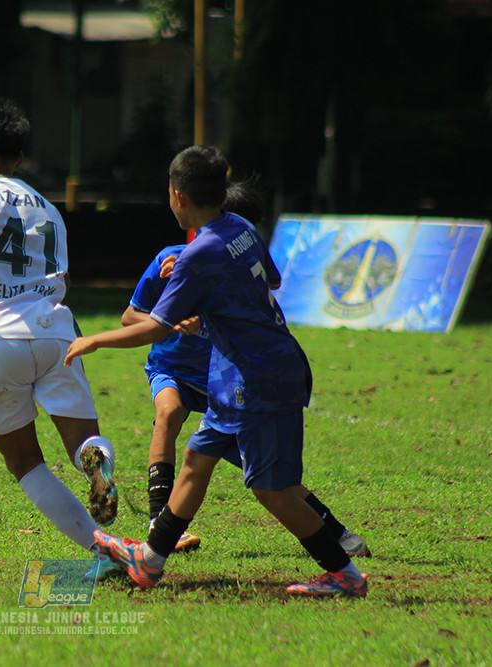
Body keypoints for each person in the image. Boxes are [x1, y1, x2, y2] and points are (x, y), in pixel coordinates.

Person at [65, 146, 369, 598]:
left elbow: (154, 327)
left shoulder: (195, 254)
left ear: (177, 196)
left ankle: (343, 574)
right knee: (195, 461)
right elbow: (270, 281)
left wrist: (94, 339)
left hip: (256, 378)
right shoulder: (240, 228)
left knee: (272, 490)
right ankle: (149, 561)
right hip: (239, 374)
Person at [124, 181, 370, 559]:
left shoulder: (224, 267)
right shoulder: (171, 260)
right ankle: (159, 526)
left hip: (225, 381)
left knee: (269, 477)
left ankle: (336, 535)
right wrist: (170, 313)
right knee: (169, 413)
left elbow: (258, 290)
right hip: (172, 368)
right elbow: (131, 316)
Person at [0, 101, 119, 564]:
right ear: (19, 159)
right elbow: (61, 277)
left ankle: (102, 552)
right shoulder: (49, 209)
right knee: (82, 443)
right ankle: (98, 463)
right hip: (56, 333)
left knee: (25, 462)